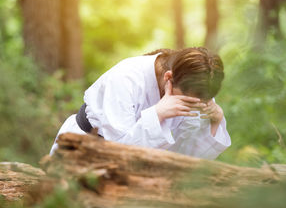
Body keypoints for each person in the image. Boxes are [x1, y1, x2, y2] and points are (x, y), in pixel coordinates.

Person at [50, 47, 231, 159]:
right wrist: (158, 114)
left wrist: (214, 123)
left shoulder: (197, 87)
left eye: (199, 103)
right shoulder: (125, 78)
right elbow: (120, 151)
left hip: (141, 175)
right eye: (186, 100)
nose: (191, 105)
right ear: (169, 77)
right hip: (81, 150)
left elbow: (187, 158)